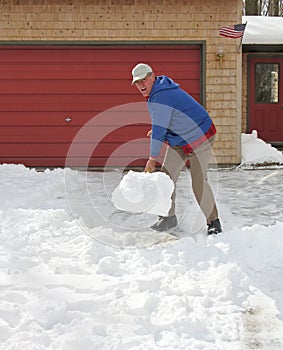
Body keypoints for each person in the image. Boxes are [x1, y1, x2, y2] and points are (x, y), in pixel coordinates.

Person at [131, 63, 222, 235]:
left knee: (198, 181)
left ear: (152, 76)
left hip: (200, 136)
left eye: (144, 80)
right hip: (179, 139)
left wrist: (152, 158)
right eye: (137, 82)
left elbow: (159, 128)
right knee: (166, 177)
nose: (141, 85)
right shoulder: (157, 91)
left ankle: (214, 223)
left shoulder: (161, 96)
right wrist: (160, 129)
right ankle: (168, 218)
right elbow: (166, 120)